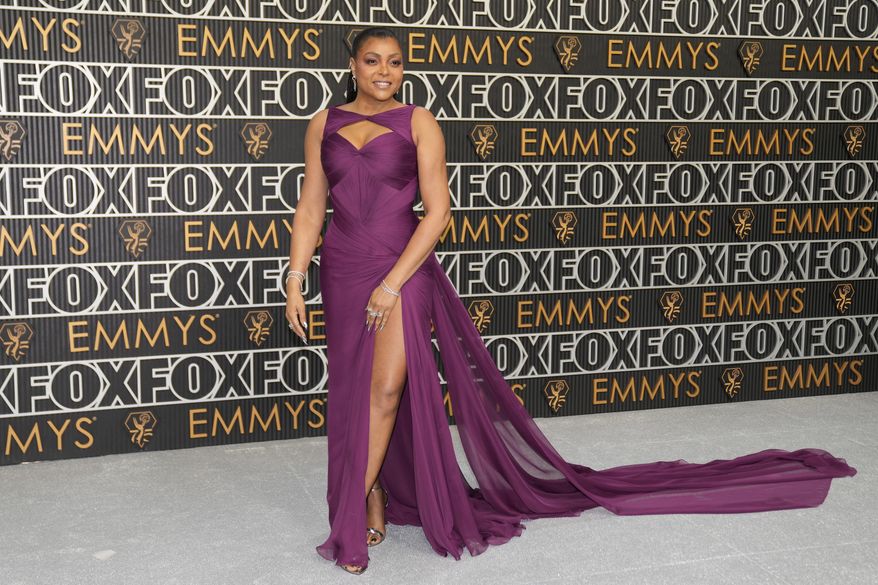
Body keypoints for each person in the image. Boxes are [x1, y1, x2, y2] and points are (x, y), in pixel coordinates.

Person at [285, 27, 857, 576]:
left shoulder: (419, 121)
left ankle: (347, 519)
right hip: (342, 268)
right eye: (373, 61)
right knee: (354, 390)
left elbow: (439, 213)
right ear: (353, 65)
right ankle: (375, 492)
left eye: (394, 62)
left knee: (387, 389)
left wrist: (391, 284)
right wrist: (294, 277)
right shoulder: (323, 123)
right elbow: (311, 206)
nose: (384, 71)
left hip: (402, 268)